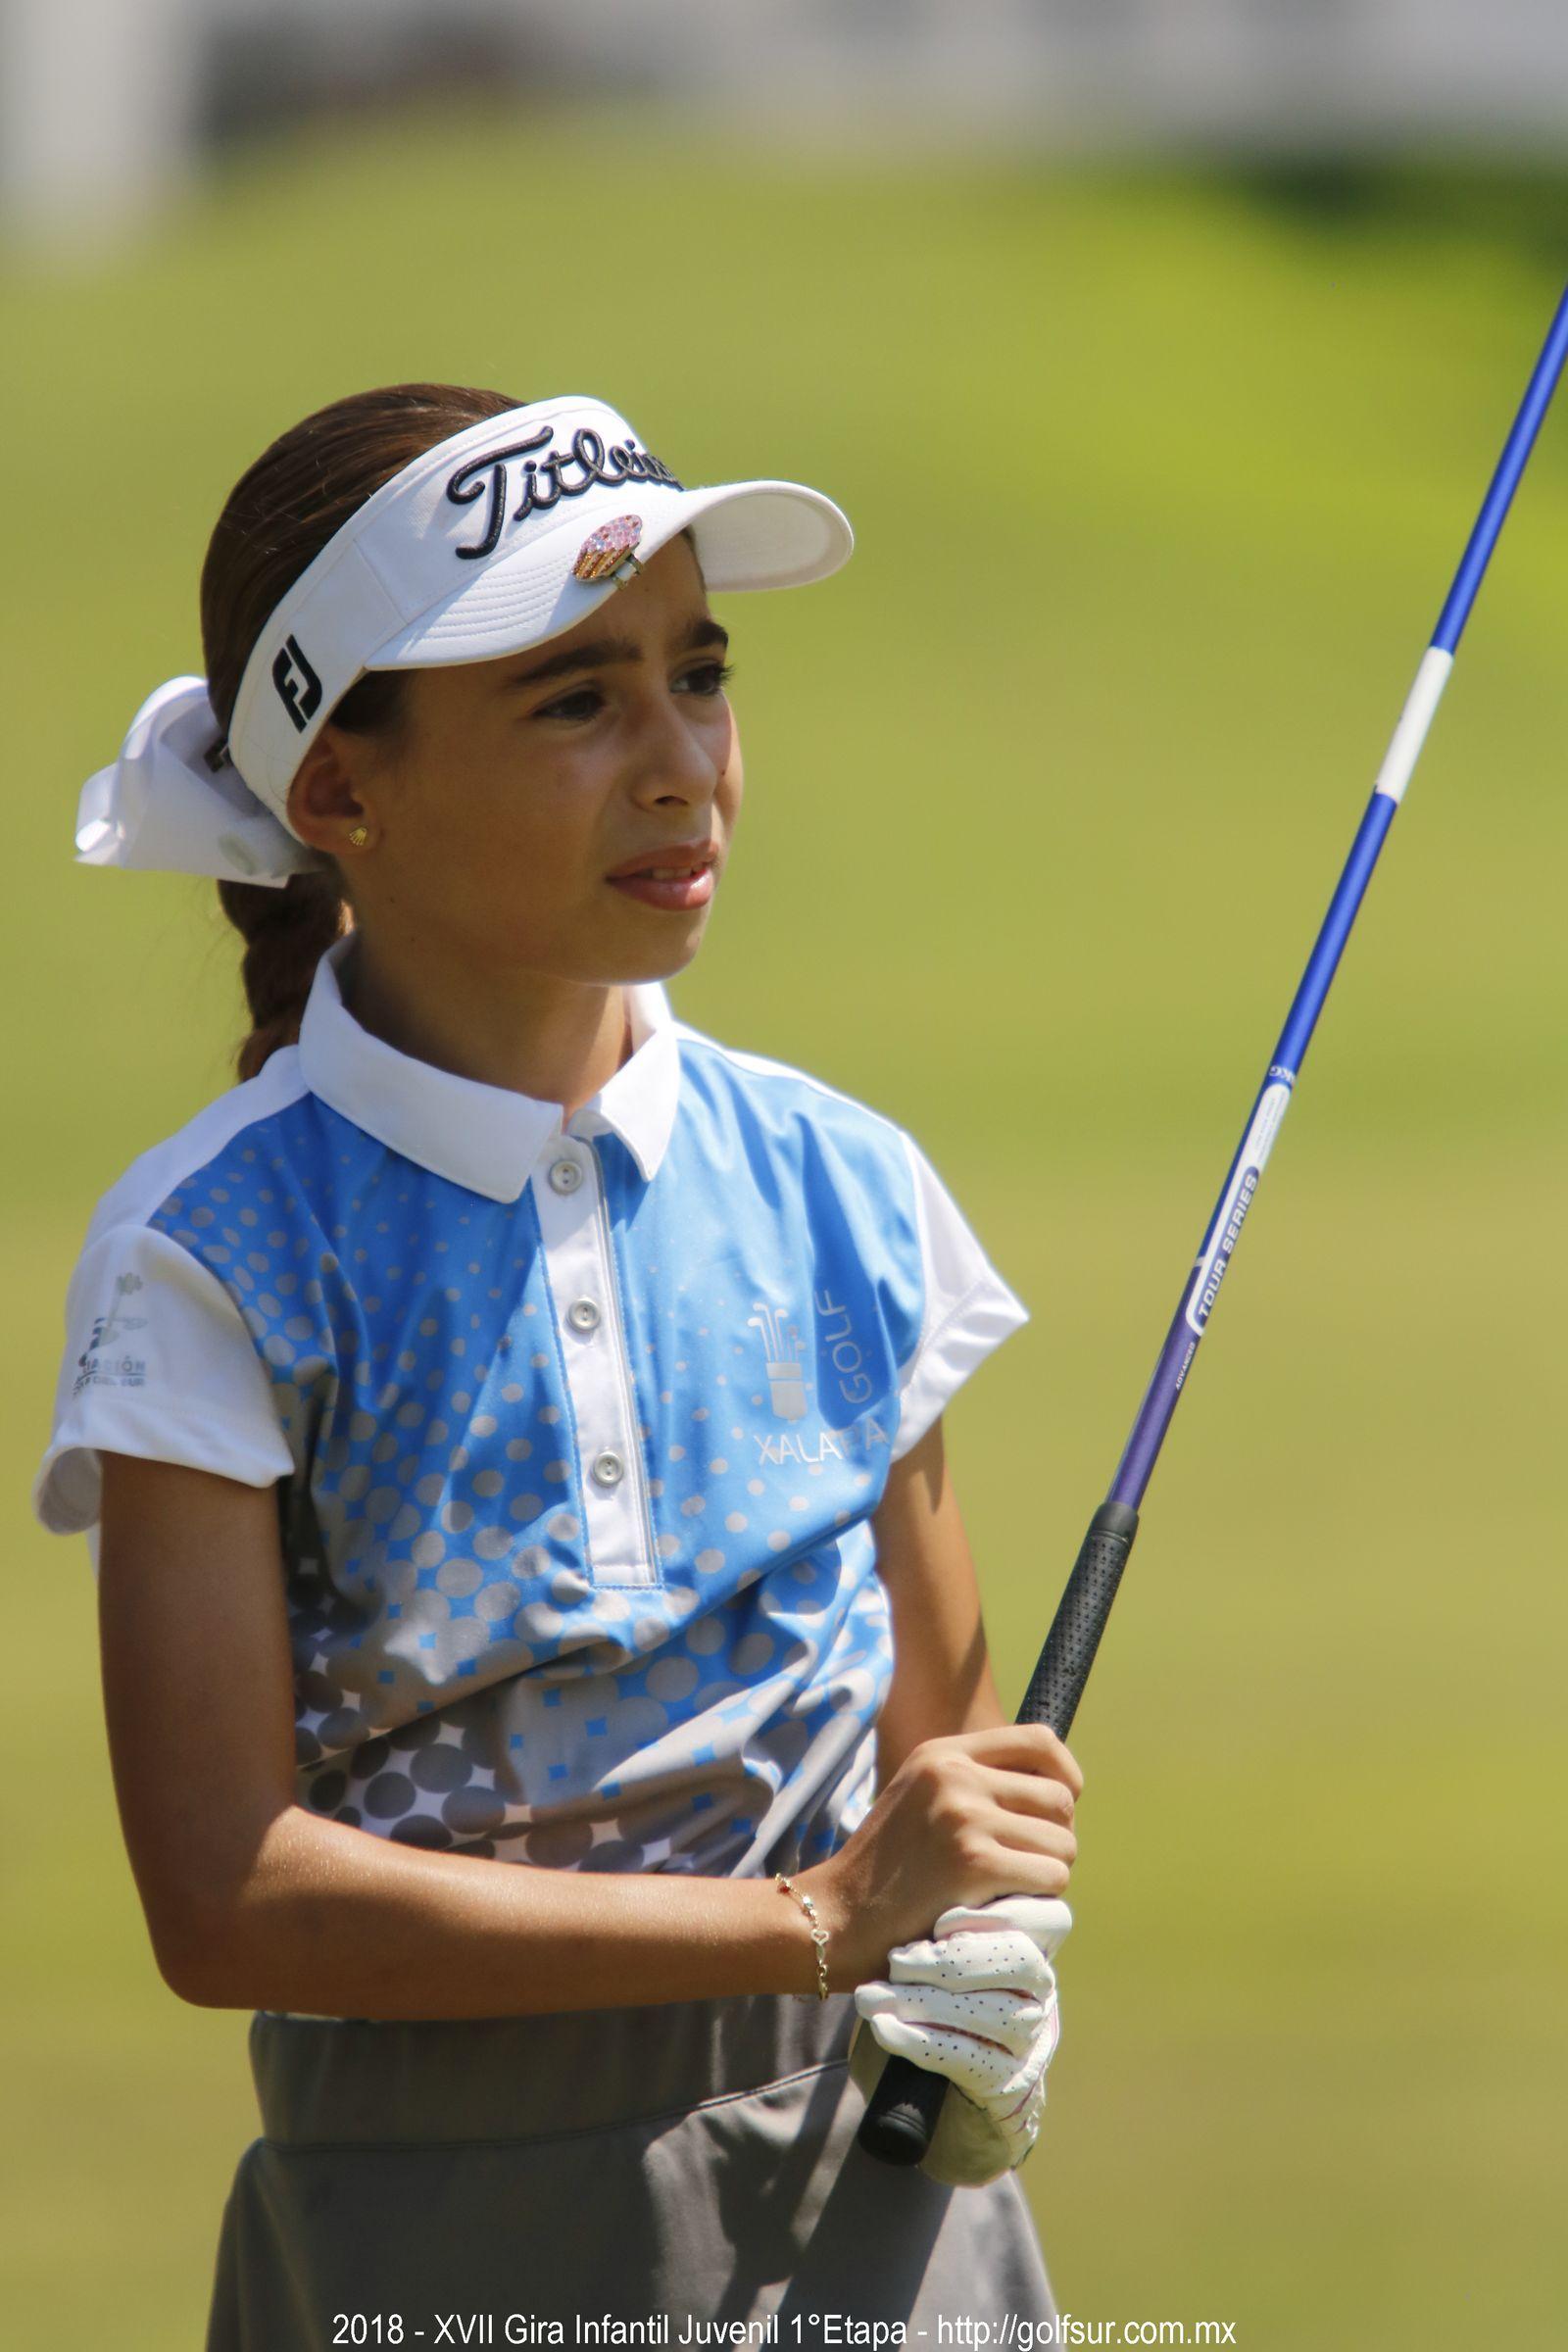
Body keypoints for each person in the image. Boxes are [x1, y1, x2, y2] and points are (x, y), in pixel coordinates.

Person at [31, 383, 1086, 2346]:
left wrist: (975, 1955)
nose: (683, 764)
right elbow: (225, 1897)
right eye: (576, 700)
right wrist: (808, 1922)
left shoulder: (843, 1181)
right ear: (339, 794)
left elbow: (933, 1783)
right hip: (429, 2232)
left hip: (869, 2207)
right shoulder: (211, 1249)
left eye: (700, 675)